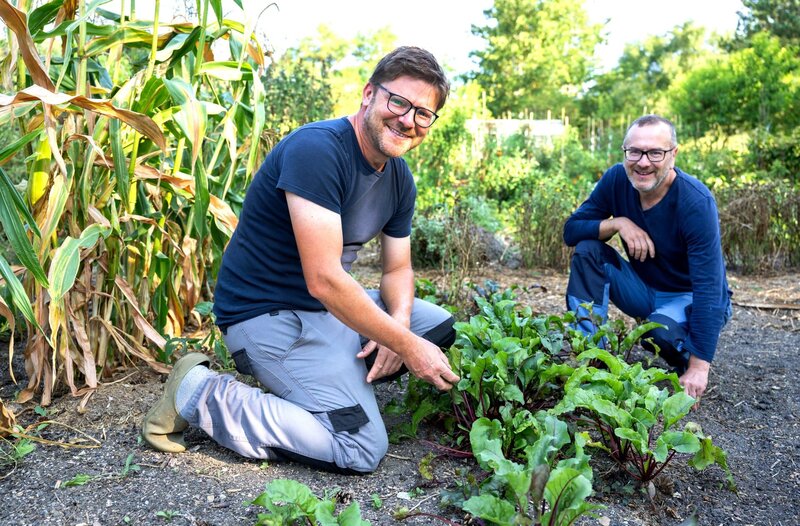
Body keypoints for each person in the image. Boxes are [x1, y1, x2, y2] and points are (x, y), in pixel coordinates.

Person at [142, 46, 460, 474]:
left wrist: (398, 330)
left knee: (435, 326)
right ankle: (200, 392)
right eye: (398, 102)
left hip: (324, 314)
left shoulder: (399, 178)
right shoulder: (318, 150)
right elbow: (325, 280)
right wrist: (405, 347)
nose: (408, 120)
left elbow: (398, 269)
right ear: (369, 94)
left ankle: (327, 383)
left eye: (423, 113)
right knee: (361, 447)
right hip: (267, 318)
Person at [563, 114, 732, 405]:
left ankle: (685, 351)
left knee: (657, 335)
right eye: (635, 151)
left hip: (687, 296)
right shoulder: (617, 179)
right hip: (643, 290)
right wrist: (618, 223)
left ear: (673, 154)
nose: (643, 162)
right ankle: (591, 355)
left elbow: (709, 289)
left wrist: (699, 367)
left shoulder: (696, 203)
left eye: (655, 152)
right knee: (589, 248)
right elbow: (571, 230)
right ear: (625, 152)